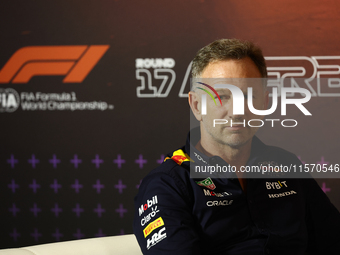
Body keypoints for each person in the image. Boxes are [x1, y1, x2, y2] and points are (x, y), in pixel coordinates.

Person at [133, 39, 340, 255]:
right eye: (221, 96)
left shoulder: (285, 164)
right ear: (196, 106)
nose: (237, 111)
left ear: (265, 103)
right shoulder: (168, 185)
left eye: (249, 96)